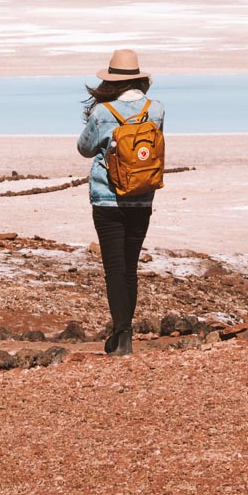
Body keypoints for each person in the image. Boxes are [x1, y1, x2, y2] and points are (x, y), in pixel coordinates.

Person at [76, 47, 163, 357]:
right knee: (129, 268)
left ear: (111, 81)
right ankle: (125, 336)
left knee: (114, 268)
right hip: (142, 196)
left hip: (107, 198)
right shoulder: (156, 109)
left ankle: (121, 335)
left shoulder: (103, 113)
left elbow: (84, 149)